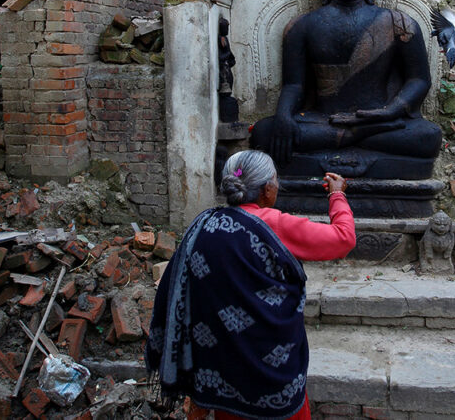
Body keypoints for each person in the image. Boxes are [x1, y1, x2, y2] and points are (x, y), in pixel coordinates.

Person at [145, 150, 356, 420]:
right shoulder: (275, 225)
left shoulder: (205, 224)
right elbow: (344, 238)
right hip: (270, 370)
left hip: (221, 372)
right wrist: (337, 195)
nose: (277, 186)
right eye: (276, 180)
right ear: (267, 189)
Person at [249, 0, 442, 180]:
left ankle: (356, 132)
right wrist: (283, 116)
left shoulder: (399, 23)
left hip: (382, 121)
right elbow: (294, 85)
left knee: (428, 136)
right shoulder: (302, 26)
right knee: (264, 132)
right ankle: (356, 135)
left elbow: (419, 80)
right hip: (323, 120)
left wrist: (389, 111)